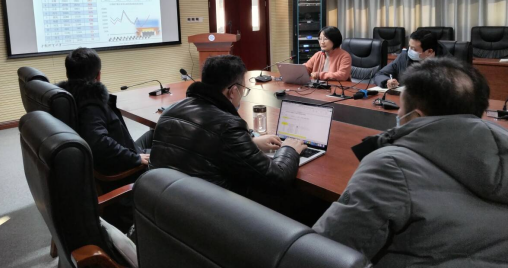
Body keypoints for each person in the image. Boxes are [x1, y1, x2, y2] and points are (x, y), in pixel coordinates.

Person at [313, 57, 508, 267]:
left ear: (416, 117)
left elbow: (323, 254)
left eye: (400, 109)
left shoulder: (390, 167)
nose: (398, 114)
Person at [149, 54, 306, 197]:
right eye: (244, 90)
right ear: (233, 91)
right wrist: (289, 149)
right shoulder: (228, 126)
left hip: (164, 201)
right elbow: (278, 179)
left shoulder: (170, 111)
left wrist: (249, 142)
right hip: (213, 210)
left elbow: (203, 142)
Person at [57, 47, 151, 178]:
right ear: (98, 75)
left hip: (124, 150)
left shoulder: (69, 97)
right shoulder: (90, 104)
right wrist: (135, 158)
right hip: (125, 164)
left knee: (156, 132)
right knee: (174, 152)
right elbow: (98, 142)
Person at [374, 29, 450, 88]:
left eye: (414, 49)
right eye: (409, 46)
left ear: (429, 51)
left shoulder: (447, 64)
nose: (409, 50)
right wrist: (387, 81)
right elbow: (380, 74)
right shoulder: (404, 56)